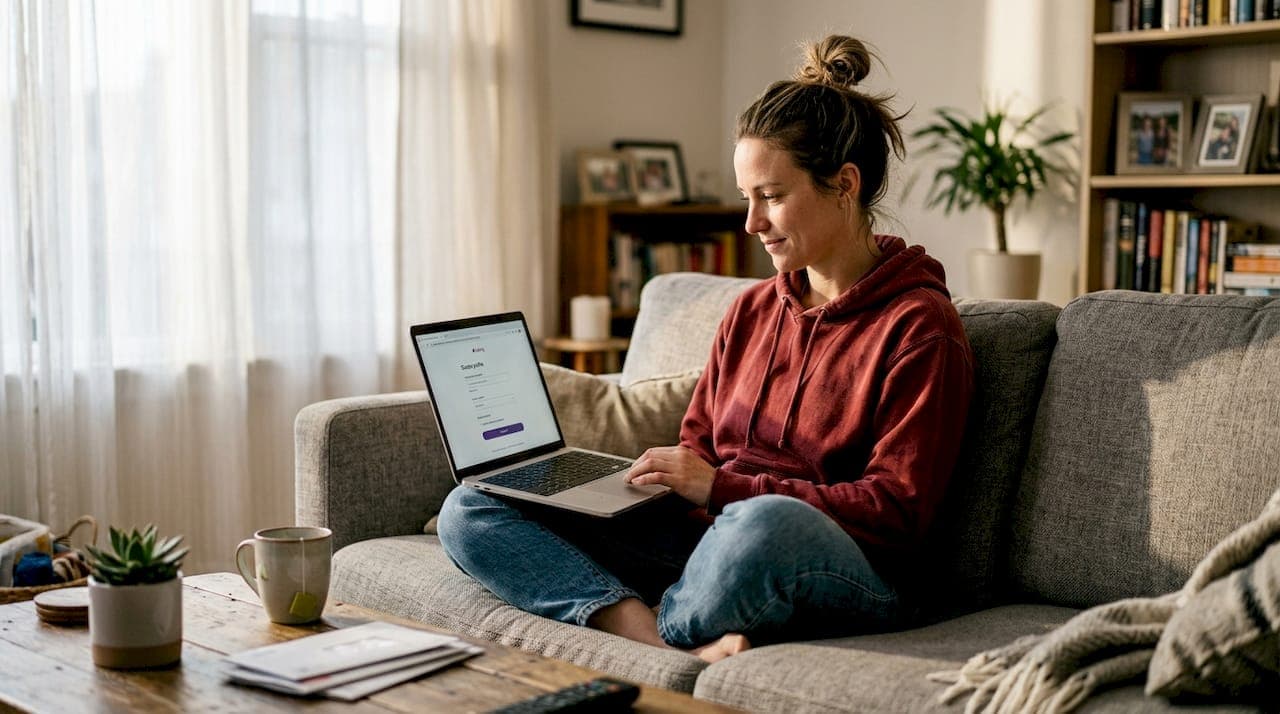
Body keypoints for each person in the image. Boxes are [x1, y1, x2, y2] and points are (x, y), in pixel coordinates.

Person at [436, 34, 975, 664]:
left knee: (767, 523)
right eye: (747, 197)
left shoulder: (920, 327)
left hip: (838, 563)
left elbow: (895, 513)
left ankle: (658, 627)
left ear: (845, 184)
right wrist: (645, 486)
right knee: (473, 506)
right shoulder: (750, 311)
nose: (751, 222)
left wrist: (722, 489)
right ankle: (656, 636)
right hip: (707, 539)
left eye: (771, 197)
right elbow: (699, 444)